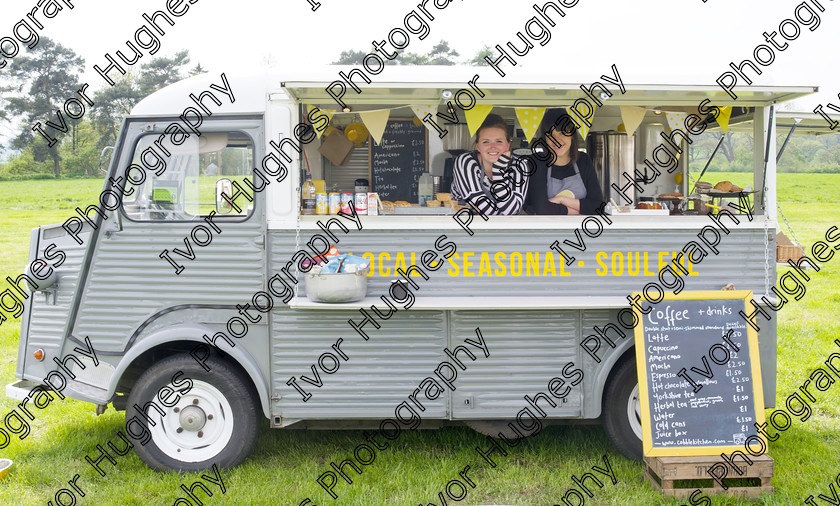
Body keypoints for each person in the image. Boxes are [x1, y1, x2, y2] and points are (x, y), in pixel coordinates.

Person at [524, 109, 604, 215]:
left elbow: (598, 206)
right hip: (546, 230)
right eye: (550, 135)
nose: (556, 140)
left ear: (571, 135)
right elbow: (541, 209)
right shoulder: (536, 162)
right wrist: (575, 211)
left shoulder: (583, 160)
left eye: (562, 133)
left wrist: (562, 200)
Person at [450, 114, 531, 215]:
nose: (493, 147)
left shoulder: (519, 165)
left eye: (499, 141)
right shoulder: (466, 161)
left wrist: (498, 174)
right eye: (485, 142)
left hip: (507, 229)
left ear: (508, 144)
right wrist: (504, 214)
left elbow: (512, 211)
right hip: (465, 226)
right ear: (478, 146)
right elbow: (481, 207)